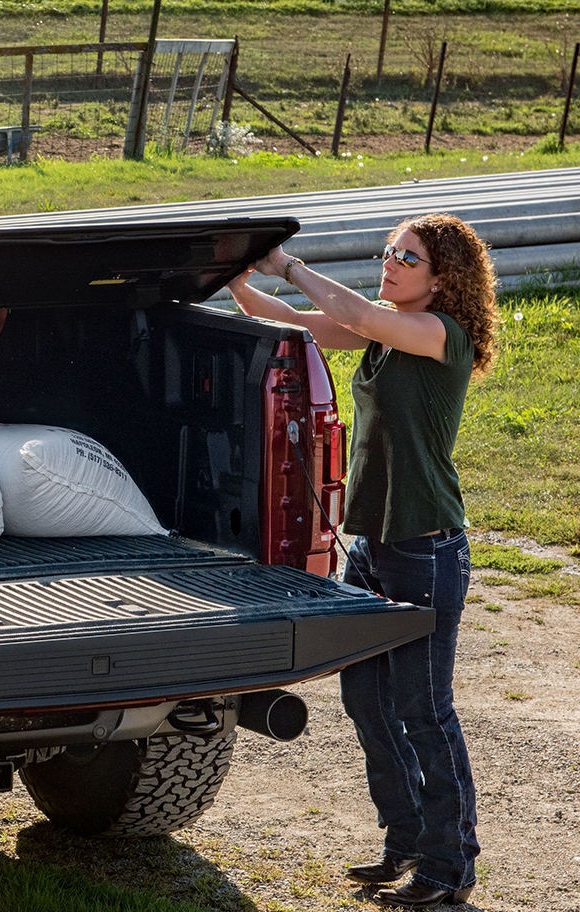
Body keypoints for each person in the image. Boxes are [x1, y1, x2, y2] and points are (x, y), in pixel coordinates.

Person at [233, 212, 498, 909]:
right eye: (388, 252)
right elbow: (291, 322)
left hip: (426, 545)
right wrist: (235, 276)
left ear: (443, 279)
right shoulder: (381, 330)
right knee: (365, 697)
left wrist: (287, 263)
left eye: (406, 258)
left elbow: (345, 308)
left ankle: (450, 863)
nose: (390, 263)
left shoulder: (442, 335)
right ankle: (406, 838)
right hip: (376, 541)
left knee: (424, 707)